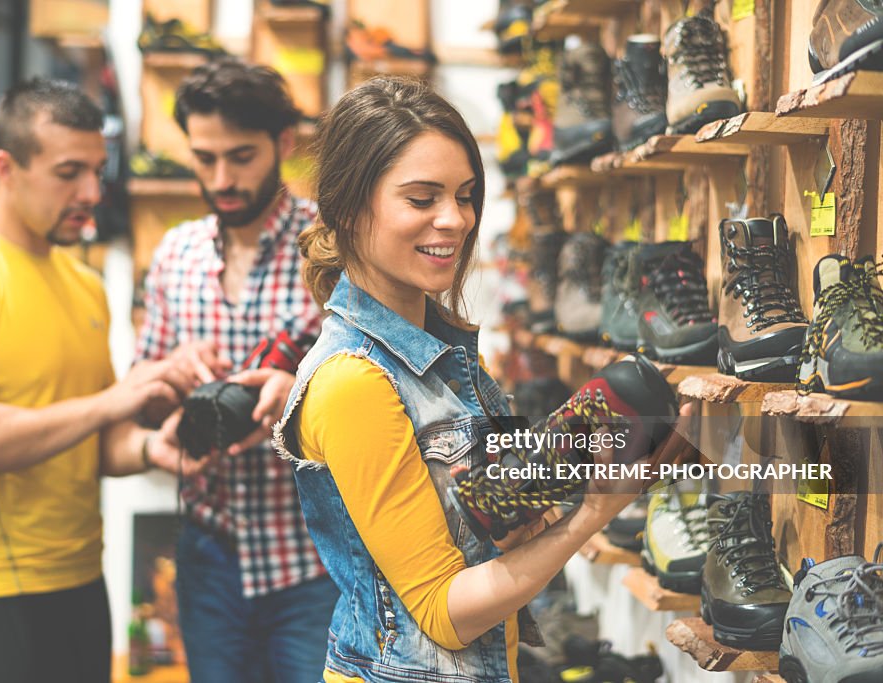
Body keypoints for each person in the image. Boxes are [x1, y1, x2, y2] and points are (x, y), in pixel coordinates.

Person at [272, 76, 695, 683]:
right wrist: (598, 509)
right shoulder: (352, 383)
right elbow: (444, 613)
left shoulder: (448, 357)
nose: (455, 220)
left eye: (465, 195)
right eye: (422, 199)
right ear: (345, 207)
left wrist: (543, 493)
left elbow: (495, 541)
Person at [0, 78, 191, 683]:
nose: (91, 193)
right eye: (68, 172)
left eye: (98, 171)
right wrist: (111, 402)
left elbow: (92, 439)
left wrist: (156, 447)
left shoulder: (82, 283)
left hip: (80, 581)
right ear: (7, 167)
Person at [134, 57, 337, 683]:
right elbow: (143, 400)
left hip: (315, 553)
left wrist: (296, 392)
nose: (220, 178)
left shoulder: (333, 247)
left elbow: (388, 388)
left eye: (240, 157)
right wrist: (170, 373)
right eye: (204, 158)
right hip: (210, 551)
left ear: (281, 144)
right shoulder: (176, 253)